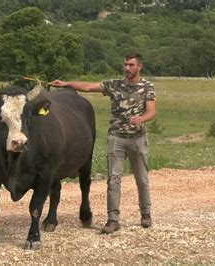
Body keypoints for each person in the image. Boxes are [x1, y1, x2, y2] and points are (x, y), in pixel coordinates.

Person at [50, 53, 156, 234]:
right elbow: (88, 87)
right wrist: (67, 84)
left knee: (142, 179)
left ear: (140, 67)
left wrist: (142, 119)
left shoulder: (147, 87)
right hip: (116, 138)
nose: (127, 68)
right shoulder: (115, 85)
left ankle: (145, 214)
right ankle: (112, 219)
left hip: (137, 138)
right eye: (125, 64)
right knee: (113, 179)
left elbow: (151, 111)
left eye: (131, 65)